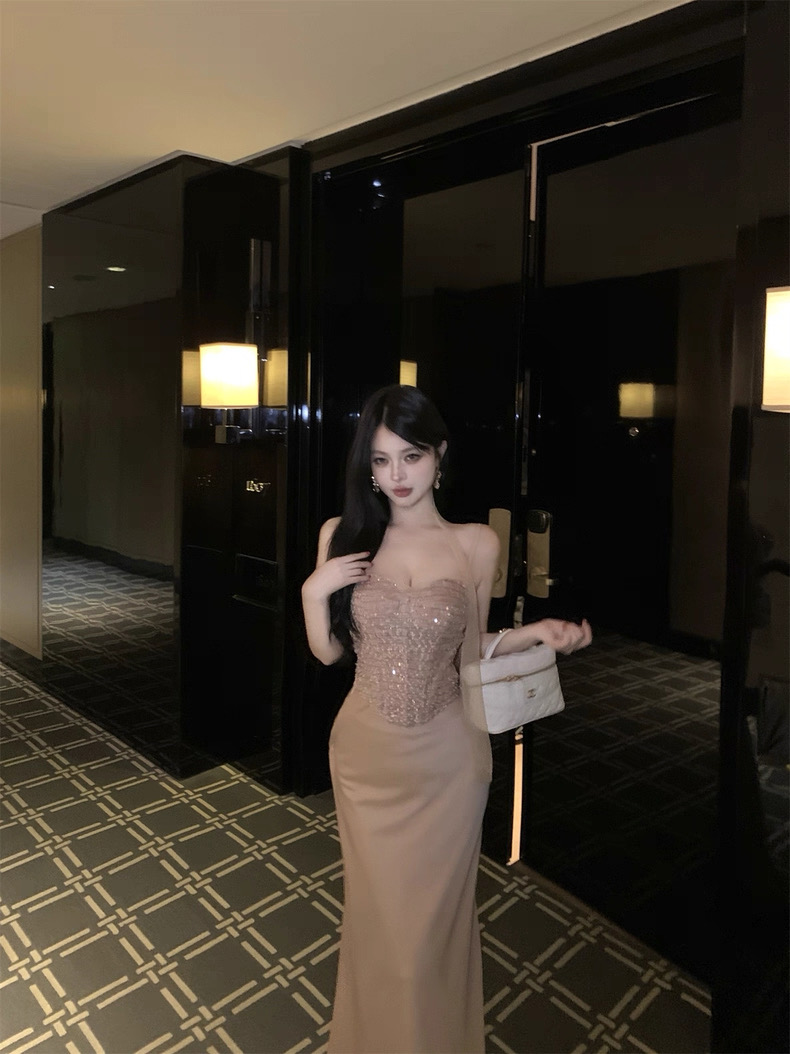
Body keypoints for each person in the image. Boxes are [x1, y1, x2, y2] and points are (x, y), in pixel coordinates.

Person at [302, 385, 592, 1053]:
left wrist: (533, 634)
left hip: (450, 763)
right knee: (377, 921)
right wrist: (314, 594)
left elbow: (468, 653)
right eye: (381, 461)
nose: (397, 476)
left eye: (411, 457)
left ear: (439, 455)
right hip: (366, 758)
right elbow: (330, 653)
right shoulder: (342, 536)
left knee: (432, 931)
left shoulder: (475, 544)